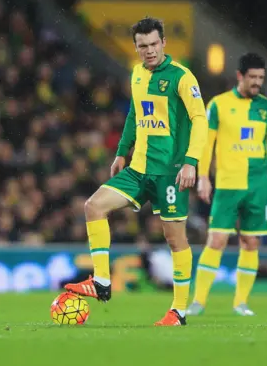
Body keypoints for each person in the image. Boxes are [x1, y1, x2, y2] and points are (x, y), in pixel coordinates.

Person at [64, 17, 208, 326]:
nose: (149, 51)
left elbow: (200, 119)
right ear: (136, 48)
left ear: (164, 43)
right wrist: (120, 152)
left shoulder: (182, 77)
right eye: (142, 46)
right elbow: (134, 113)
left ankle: (179, 310)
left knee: (175, 239)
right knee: (94, 206)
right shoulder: (137, 74)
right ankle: (102, 280)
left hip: (169, 172)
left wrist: (191, 161)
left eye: (154, 44)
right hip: (138, 169)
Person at [187, 53, 267, 317]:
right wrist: (203, 177)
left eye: (261, 78)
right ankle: (198, 301)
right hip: (229, 183)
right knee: (217, 239)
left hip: (258, 185)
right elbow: (207, 143)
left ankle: (240, 302)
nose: (257, 82)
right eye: (253, 77)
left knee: (251, 242)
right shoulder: (218, 105)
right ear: (240, 76)